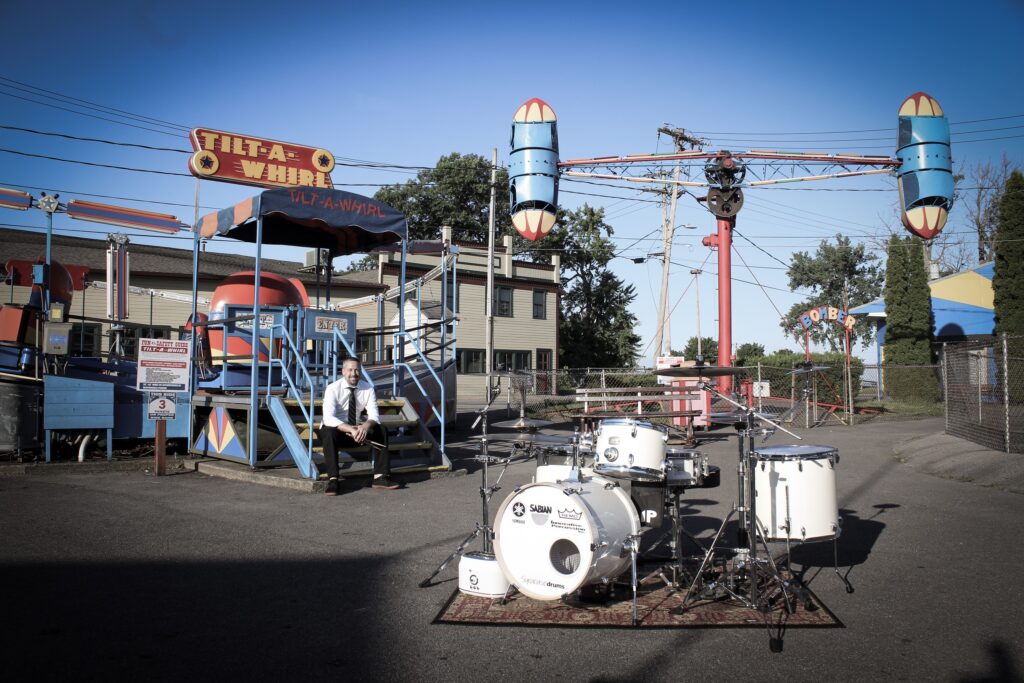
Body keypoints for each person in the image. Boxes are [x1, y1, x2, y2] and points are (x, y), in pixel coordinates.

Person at [318, 356, 400, 493]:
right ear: (343, 371)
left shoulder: (368, 388)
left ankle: (380, 477)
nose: (354, 373)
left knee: (381, 430)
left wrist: (364, 427)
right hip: (337, 431)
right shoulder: (332, 388)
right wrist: (351, 429)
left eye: (357, 370)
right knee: (328, 432)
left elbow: (374, 415)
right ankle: (333, 480)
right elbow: (328, 418)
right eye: (350, 370)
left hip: (356, 431)